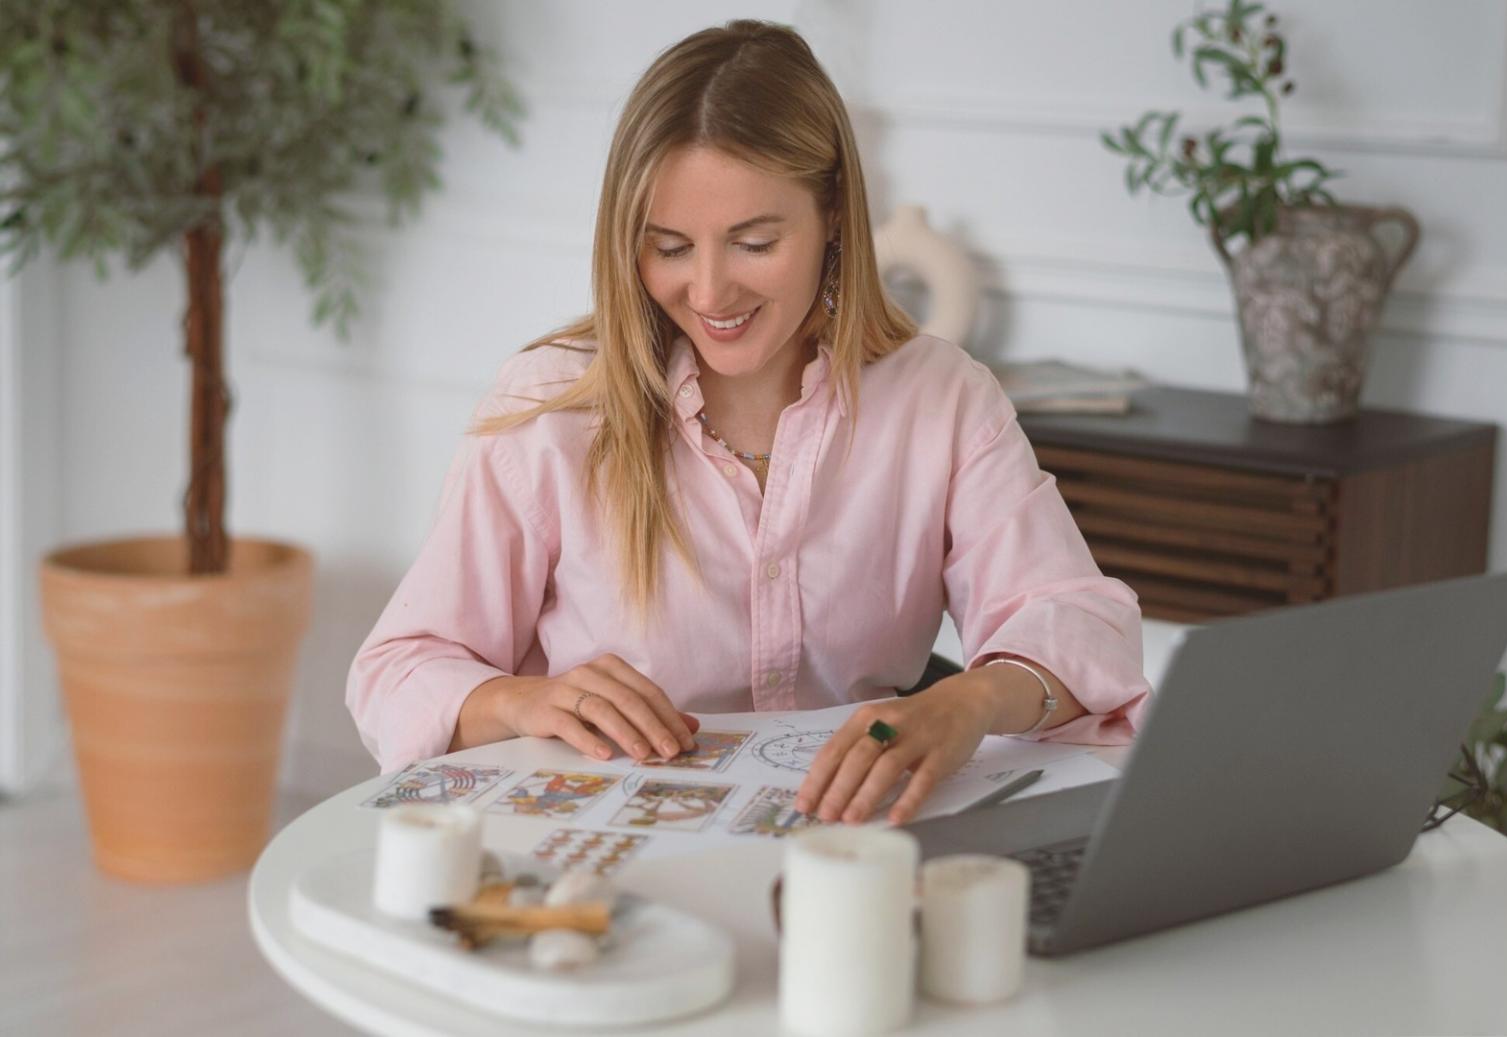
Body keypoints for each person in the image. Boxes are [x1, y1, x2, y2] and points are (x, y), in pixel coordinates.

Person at [346, 19, 1151, 827]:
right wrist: (521, 701)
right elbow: (395, 671)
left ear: (833, 213)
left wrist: (972, 699)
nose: (707, 292)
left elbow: (1080, 619)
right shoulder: (552, 407)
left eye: (753, 242)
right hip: (609, 864)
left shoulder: (940, 398)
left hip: (851, 853)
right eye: (667, 247)